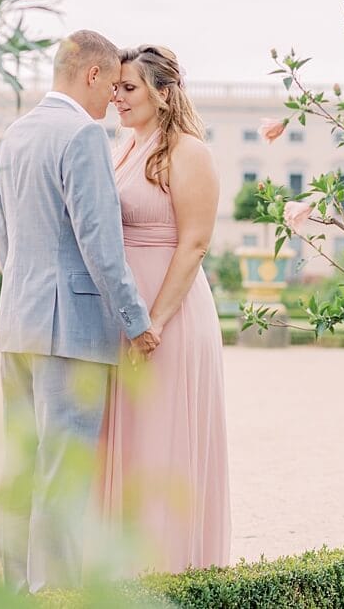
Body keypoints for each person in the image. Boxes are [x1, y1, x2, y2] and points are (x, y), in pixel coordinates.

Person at [0, 30, 161, 594]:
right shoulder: (82, 136)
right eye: (112, 84)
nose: (112, 99)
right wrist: (136, 322)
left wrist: (26, 298)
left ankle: (16, 592)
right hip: (71, 332)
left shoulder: (13, 136)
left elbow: (5, 243)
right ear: (91, 75)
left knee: (21, 467)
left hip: (17, 323)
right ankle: (56, 596)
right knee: (64, 473)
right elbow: (99, 242)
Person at [100, 44, 231, 573]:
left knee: (161, 440)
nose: (117, 98)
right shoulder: (122, 146)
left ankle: (168, 573)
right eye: (115, 88)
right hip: (126, 313)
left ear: (163, 91)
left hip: (169, 315)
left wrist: (154, 320)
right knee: (127, 441)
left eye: (128, 88)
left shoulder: (190, 152)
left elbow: (195, 243)